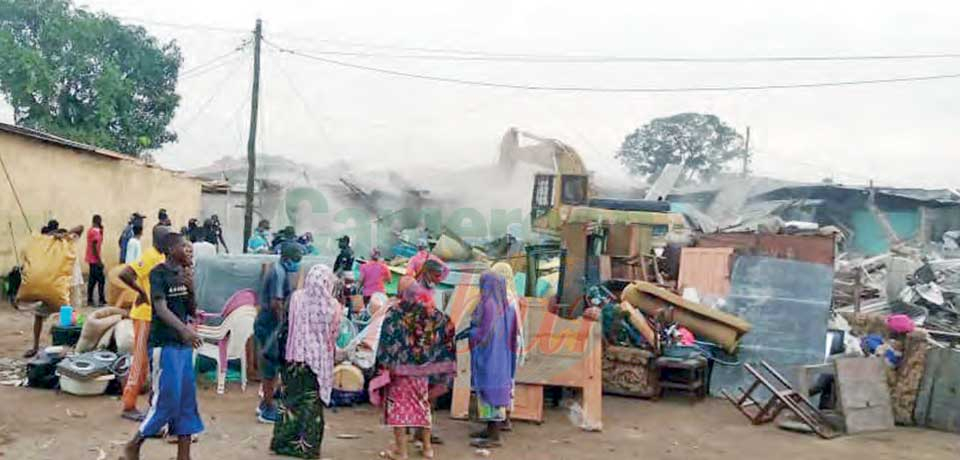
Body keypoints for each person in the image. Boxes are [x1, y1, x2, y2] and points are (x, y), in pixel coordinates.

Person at [121, 232, 203, 460]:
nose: (188, 250)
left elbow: (192, 310)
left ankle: (183, 455)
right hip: (164, 345)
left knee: (186, 401)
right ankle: (133, 445)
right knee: (166, 400)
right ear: (170, 251)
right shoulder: (159, 273)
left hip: (183, 347)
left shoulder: (184, 274)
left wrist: (191, 288)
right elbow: (160, 308)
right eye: (183, 246)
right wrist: (185, 330)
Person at [375, 281, 457, 460]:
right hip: (423, 372)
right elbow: (448, 328)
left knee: (398, 407)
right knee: (422, 406)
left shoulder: (396, 313)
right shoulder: (431, 314)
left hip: (400, 372)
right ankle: (428, 449)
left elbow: (386, 340)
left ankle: (400, 451)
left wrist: (383, 365)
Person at [270, 264, 341, 459]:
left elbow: (289, 321)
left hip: (294, 358)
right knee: (311, 406)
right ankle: (307, 448)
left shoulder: (296, 298)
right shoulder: (334, 307)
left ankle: (282, 443)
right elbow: (332, 337)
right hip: (318, 362)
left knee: (290, 402)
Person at [118, 225, 172, 421]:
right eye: (167, 238)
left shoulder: (162, 257)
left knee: (149, 362)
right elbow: (125, 274)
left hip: (154, 316)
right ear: (158, 240)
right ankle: (128, 404)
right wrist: (141, 293)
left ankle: (146, 402)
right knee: (139, 360)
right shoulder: (149, 256)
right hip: (143, 315)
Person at [468, 272, 519, 449]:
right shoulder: (508, 307)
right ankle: (490, 429)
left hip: (489, 356)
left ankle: (494, 436)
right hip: (503, 358)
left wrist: (471, 333)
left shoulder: (487, 305)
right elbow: (514, 337)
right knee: (497, 391)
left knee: (488, 392)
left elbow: (482, 334)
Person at [254, 242, 303, 424]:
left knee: (271, 366)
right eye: (296, 260)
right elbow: (276, 303)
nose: (297, 264)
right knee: (270, 367)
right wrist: (285, 325)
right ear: (287, 258)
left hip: (268, 323)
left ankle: (264, 404)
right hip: (270, 325)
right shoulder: (278, 273)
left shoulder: (278, 269)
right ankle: (267, 409)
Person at [23, 223, 83, 358]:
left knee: (68, 321)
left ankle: (69, 350)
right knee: (39, 314)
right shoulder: (49, 250)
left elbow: (80, 227)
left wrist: (63, 235)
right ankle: (35, 347)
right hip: (57, 289)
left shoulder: (68, 240)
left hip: (71, 288)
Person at [490, 262, 526, 432]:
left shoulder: (503, 296)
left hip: (504, 343)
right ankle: (507, 417)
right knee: (509, 380)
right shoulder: (512, 294)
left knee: (500, 380)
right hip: (513, 341)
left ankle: (500, 421)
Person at [85, 215, 106, 307]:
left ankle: (90, 299)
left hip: (90, 259)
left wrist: (102, 231)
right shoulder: (95, 233)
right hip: (95, 260)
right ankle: (101, 299)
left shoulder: (91, 230)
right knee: (101, 280)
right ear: (99, 221)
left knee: (92, 280)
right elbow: (94, 247)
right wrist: (99, 261)